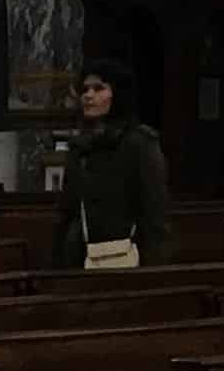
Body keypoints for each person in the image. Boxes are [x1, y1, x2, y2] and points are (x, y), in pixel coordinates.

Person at [53, 62, 170, 271]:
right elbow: (67, 211)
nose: (88, 96)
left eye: (98, 89)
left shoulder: (139, 143)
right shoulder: (80, 147)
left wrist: (154, 271)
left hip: (128, 260)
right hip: (82, 259)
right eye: (85, 90)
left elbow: (154, 215)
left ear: (117, 95)